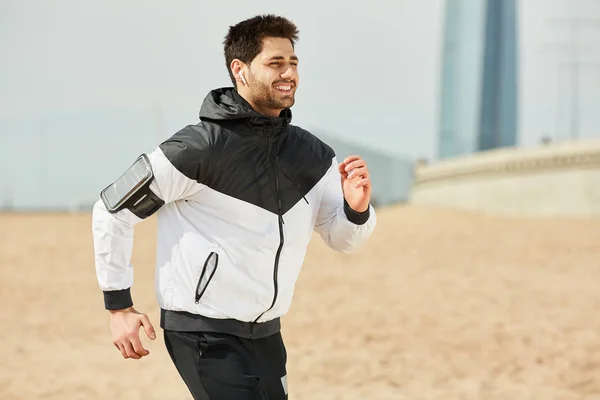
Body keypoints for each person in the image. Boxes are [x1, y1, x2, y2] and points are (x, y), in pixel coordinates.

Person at [91, 14, 376, 400]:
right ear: (239, 70)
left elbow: (343, 240)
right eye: (275, 63)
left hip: (267, 333)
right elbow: (112, 210)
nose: (288, 73)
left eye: (293, 63)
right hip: (203, 334)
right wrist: (118, 307)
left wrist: (356, 210)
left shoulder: (311, 155)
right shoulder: (197, 149)